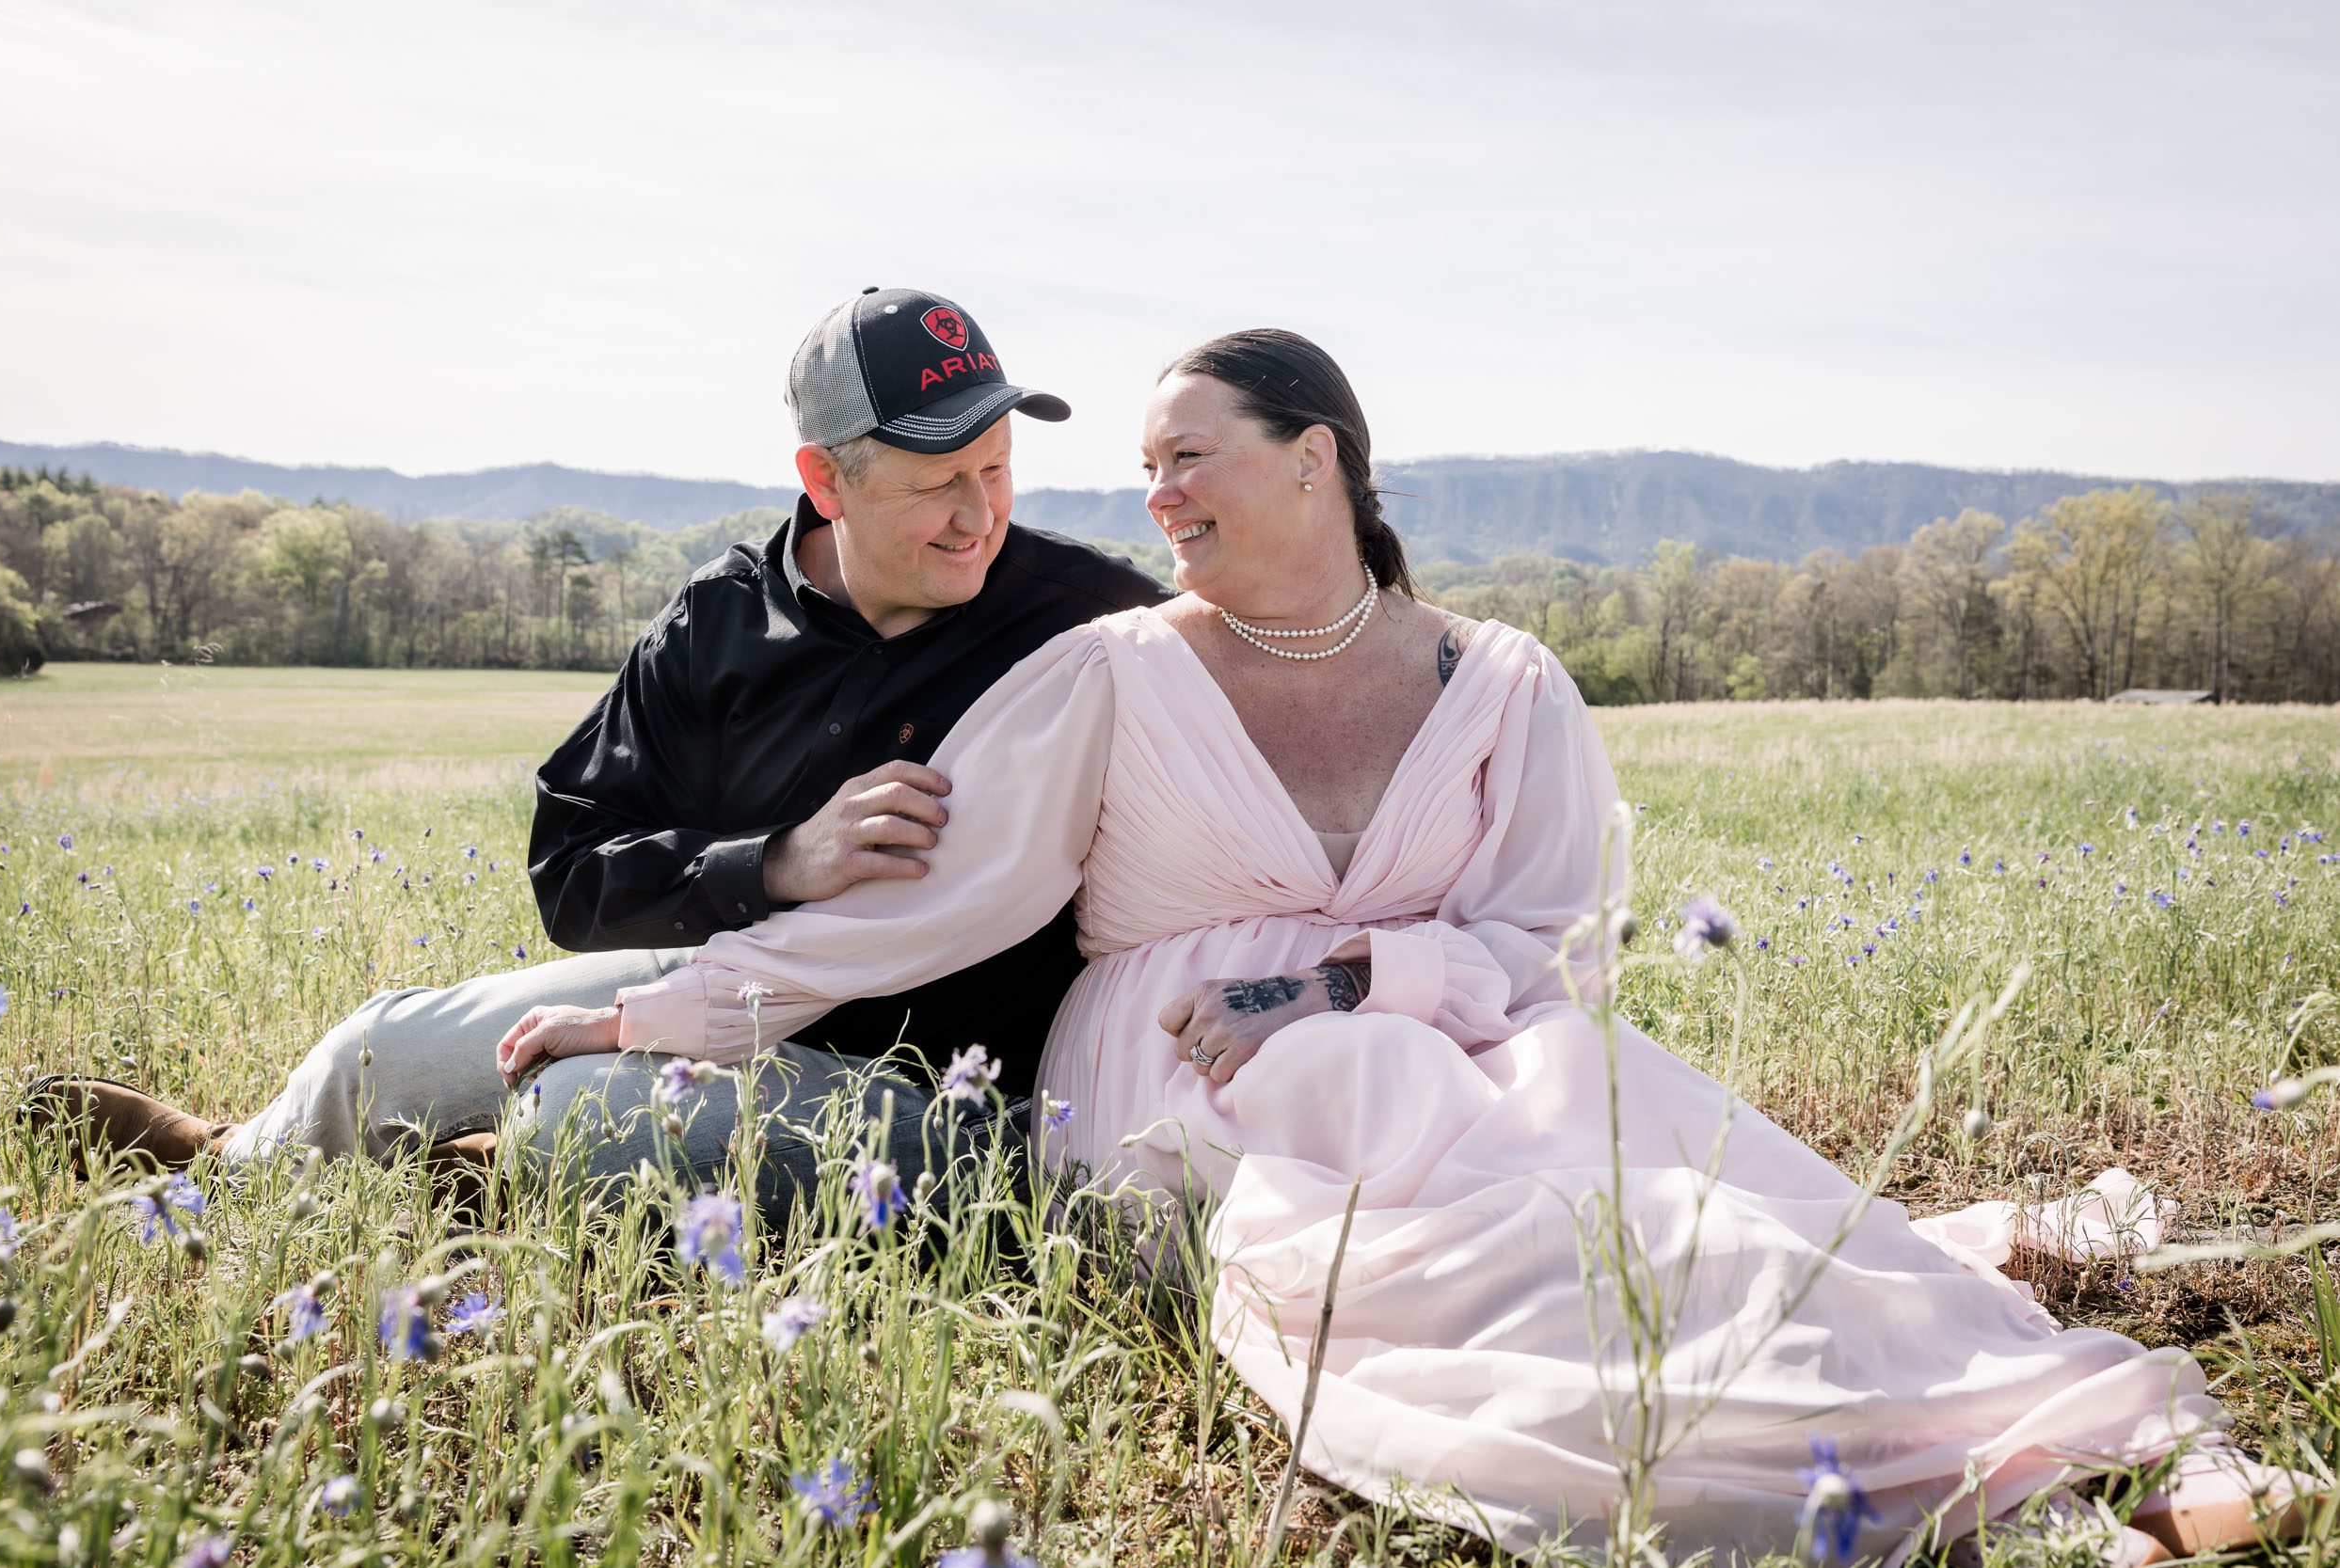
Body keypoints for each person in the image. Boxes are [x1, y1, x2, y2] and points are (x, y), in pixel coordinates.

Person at [499, 327, 2317, 1561]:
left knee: (1643, 1147)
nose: (1156, 504)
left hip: (1462, 1039)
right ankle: (1932, 1476)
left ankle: (2050, 1424)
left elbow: (1550, 940)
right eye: (1140, 474)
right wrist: (669, 1006)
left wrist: (1381, 976)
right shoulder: (1106, 671)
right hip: (1183, 1058)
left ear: (1320, 460)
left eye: (1189, 462)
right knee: (1478, 1229)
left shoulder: (1500, 677)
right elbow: (931, 905)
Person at [21, 286, 1165, 1215]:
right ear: (826, 480)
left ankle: (498, 1170)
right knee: (382, 1043)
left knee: (576, 1110)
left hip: (940, 1075)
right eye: (933, 483)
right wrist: (771, 862)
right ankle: (236, 1165)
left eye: (996, 469)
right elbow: (572, 870)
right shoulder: (718, 624)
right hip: (720, 982)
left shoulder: (1093, 620)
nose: (978, 515)